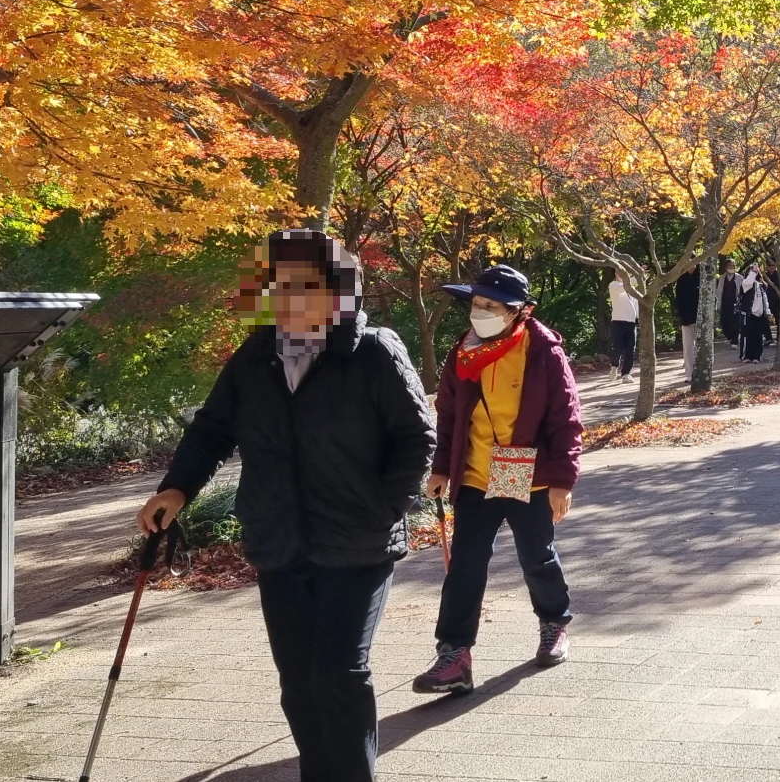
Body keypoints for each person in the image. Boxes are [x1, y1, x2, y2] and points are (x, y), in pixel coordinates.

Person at [136, 230, 432, 782]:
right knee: (298, 679)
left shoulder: (373, 351)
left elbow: (417, 436)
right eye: (280, 286)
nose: (291, 298)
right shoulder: (255, 356)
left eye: (307, 285)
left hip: (357, 542)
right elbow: (211, 431)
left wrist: (384, 505)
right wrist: (176, 489)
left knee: (339, 673)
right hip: (280, 539)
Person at [412, 265, 584, 694]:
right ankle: (454, 654)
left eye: (491, 306)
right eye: (477, 303)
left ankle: (553, 623)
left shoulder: (542, 349)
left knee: (536, 555)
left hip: (528, 470)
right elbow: (449, 414)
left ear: (516, 312)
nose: (480, 312)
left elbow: (566, 419)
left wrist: (563, 480)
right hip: (476, 471)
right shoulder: (463, 351)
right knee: (466, 566)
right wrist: (440, 468)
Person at [738, 263, 772, 363]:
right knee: (748, 335)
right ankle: (747, 355)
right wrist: (752, 271)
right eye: (752, 271)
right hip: (748, 314)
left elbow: (765, 300)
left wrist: (768, 313)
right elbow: (749, 281)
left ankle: (757, 356)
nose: (754, 273)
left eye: (756, 272)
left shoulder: (761, 286)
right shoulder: (746, 284)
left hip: (760, 315)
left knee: (758, 336)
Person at [607, 274, 639, 380]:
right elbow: (625, 287)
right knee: (618, 348)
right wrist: (639, 274)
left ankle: (626, 373)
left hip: (631, 323)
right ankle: (614, 366)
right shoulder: (614, 285)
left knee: (631, 349)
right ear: (615, 273)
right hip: (618, 322)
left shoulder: (632, 289)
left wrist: (640, 319)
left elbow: (636, 305)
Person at [674, 266, 701, 380]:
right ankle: (690, 374)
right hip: (686, 318)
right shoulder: (681, 279)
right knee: (688, 346)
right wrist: (681, 316)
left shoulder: (702, 277)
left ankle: (701, 372)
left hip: (700, 318)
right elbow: (678, 299)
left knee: (700, 347)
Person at [717, 257, 743, 347]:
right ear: (726, 267)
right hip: (725, 303)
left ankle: (735, 340)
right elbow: (719, 291)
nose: (731, 267)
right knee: (725, 322)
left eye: (733, 266)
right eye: (730, 266)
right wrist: (718, 305)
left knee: (735, 322)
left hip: (736, 303)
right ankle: (729, 336)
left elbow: (742, 291)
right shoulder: (722, 278)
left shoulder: (739, 277)